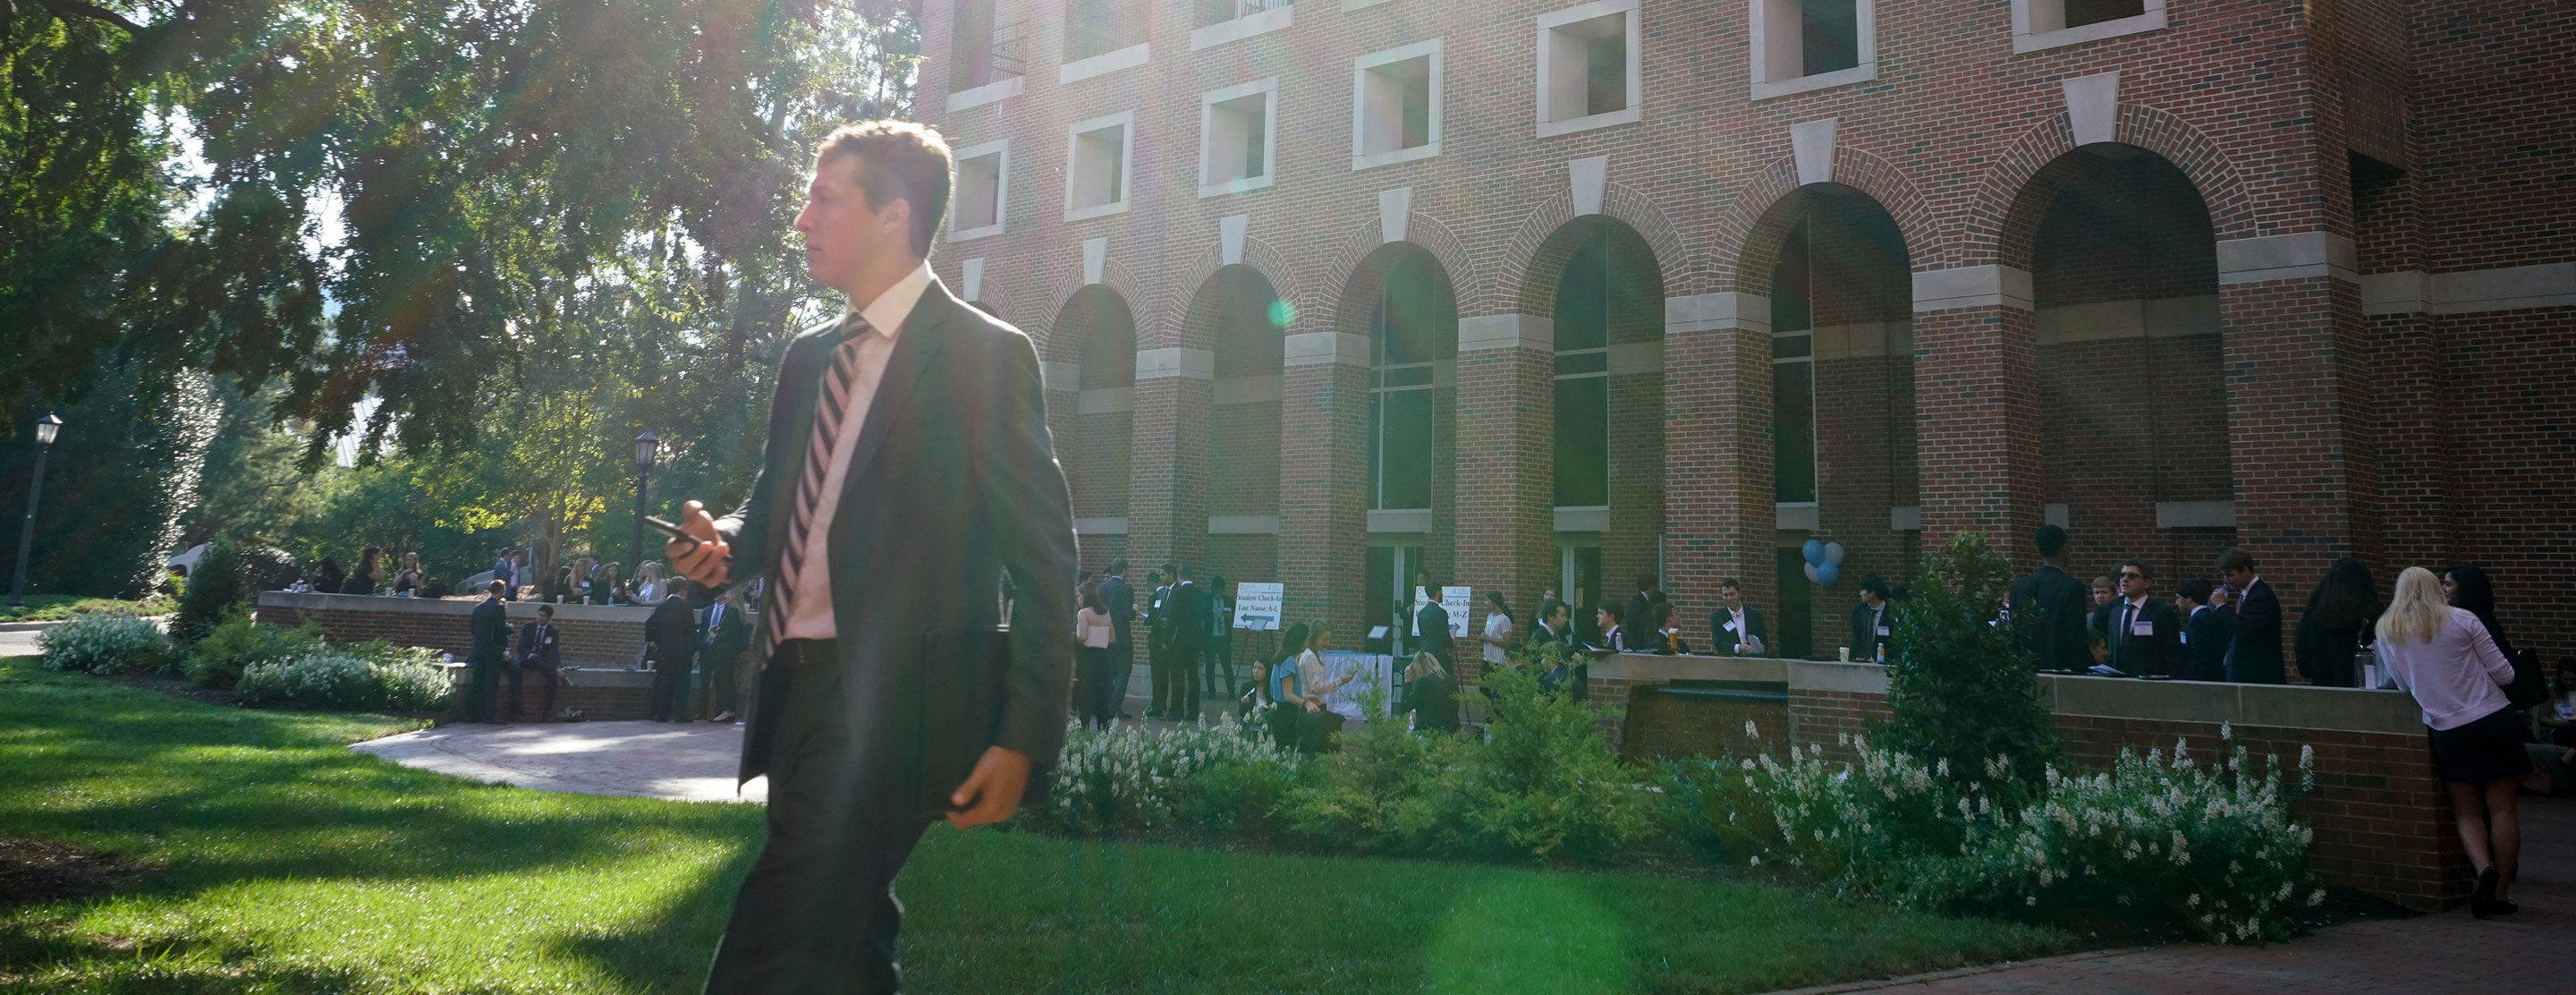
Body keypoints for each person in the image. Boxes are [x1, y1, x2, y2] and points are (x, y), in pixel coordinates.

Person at [660, 120, 1077, 994]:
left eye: (824, 199)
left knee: (769, 952)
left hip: (897, 703)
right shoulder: (809, 358)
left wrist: (1024, 732)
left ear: (894, 215)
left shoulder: (985, 356)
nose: (802, 219)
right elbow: (775, 509)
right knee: (845, 946)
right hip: (795, 688)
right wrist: (722, 545)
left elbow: (1045, 558)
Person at [2374, 566, 2524, 918]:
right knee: (2503, 808)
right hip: (2492, 718)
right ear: (2434, 588)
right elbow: (2505, 673)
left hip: (2447, 728)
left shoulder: (2387, 629)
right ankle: (2500, 891)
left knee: (2467, 810)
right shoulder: (2462, 619)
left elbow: (2401, 685)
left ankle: (2483, 868)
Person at [2010, 525, 2092, 671]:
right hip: (2062, 669)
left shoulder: (2019, 586)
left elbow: (2014, 631)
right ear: (2065, 548)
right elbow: (2075, 635)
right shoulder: (2072, 587)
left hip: (2026, 669)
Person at [2296, 557, 2382, 687]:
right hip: (2366, 688)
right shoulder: (2373, 614)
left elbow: (2304, 666)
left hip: (2324, 691)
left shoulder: (2314, 616)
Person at [2090, 560, 2183, 677]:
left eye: (2132, 576)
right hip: (2118, 683)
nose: (2124, 579)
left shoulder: (2161, 613)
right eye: (2122, 575)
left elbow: (2173, 654)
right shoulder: (2115, 613)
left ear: (2147, 583)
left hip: (2150, 682)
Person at [2217, 548, 2284, 685]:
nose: (2227, 581)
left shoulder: (2260, 597)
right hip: (2245, 672)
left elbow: (2243, 629)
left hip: (2257, 674)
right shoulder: (2247, 595)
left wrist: (2222, 607)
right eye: (2224, 576)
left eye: (2230, 575)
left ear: (2246, 570)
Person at [1289, 621, 1352, 753]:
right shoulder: (1310, 657)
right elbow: (1316, 686)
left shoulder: (1307, 655)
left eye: (1329, 639)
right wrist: (1340, 681)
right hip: (1313, 707)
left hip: (1311, 705)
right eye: (1324, 639)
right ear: (1313, 638)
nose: (1327, 643)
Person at [646, 580, 698, 723]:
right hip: (682, 650)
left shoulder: (662, 607)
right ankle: (680, 715)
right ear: (681, 589)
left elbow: (649, 624)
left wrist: (653, 641)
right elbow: (691, 629)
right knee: (682, 683)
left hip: (665, 650)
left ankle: (662, 714)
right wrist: (695, 648)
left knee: (665, 682)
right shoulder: (686, 606)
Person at [699, 583, 750, 724]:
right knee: (722, 680)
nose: (725, 595)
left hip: (725, 652)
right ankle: (723, 710)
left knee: (724, 681)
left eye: (727, 593)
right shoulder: (735, 611)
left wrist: (715, 636)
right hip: (726, 652)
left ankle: (727, 710)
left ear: (734, 595)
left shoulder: (733, 611)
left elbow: (731, 633)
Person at [462, 580, 509, 722]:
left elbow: (473, 630)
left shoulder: (478, 608)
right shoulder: (499, 609)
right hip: (493, 650)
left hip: (479, 649)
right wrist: (510, 629)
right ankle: (489, 715)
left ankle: (472, 713)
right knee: (491, 683)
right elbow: (501, 631)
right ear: (501, 592)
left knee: (477, 681)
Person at [1073, 582, 1117, 728]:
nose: (1078, 599)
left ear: (1085, 596)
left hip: (1087, 658)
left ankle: (1084, 729)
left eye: (1079, 596)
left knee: (1084, 696)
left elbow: (1083, 636)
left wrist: (1071, 637)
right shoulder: (1106, 612)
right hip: (1104, 657)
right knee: (1101, 697)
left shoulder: (1084, 613)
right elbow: (1112, 638)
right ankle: (1103, 730)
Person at [511, 604, 564, 720]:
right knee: (536, 659)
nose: (540, 618)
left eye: (544, 616)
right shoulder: (528, 627)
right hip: (527, 659)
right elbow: (520, 647)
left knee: (553, 678)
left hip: (542, 661)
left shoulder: (553, 632)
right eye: (539, 615)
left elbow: (555, 651)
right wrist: (528, 654)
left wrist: (558, 666)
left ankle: (547, 711)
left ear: (549, 618)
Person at [2175, 577, 2233, 682]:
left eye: (2178, 598)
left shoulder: (2198, 621)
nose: (2176, 602)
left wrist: (2190, 679)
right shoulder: (2210, 616)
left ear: (2189, 598)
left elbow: (2200, 656)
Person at [1100, 558, 1137, 720]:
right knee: (1123, 672)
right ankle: (1113, 708)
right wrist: (1134, 611)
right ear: (1124, 571)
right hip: (1121, 637)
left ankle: (1109, 706)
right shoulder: (1126, 588)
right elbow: (1126, 613)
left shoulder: (1101, 587)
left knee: (1109, 674)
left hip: (1103, 635)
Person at [1266, 623, 1310, 749]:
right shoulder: (1289, 662)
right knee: (1286, 749)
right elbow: (1288, 695)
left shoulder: (1281, 658)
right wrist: (1305, 703)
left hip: (1277, 710)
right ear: (1300, 641)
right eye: (1307, 640)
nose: (1308, 643)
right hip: (1286, 713)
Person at [1395, 651, 1459, 733]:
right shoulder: (1451, 680)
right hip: (1451, 731)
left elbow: (1404, 706)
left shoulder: (1424, 682)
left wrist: (1407, 681)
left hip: (1429, 732)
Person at [1709, 578, 1767, 657]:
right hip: (1731, 663)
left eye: (1732, 594)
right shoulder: (1717, 617)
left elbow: (1764, 640)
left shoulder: (1755, 616)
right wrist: (1738, 648)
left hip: (1753, 661)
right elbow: (1719, 643)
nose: (1729, 598)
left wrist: (1762, 647)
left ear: (1739, 593)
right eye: (1725, 595)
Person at [1849, 574, 1894, 664]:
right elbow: (1857, 638)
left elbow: (1895, 644)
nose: (1860, 594)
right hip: (1861, 663)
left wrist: (1882, 658)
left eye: (1863, 590)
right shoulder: (1860, 611)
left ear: (1872, 593)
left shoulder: (1891, 614)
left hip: (1883, 664)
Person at [1205, 574, 1235, 702]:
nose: (1219, 593)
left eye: (1221, 590)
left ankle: (1231, 692)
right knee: (1210, 666)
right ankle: (1212, 692)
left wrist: (1230, 617)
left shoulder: (1228, 600)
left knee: (1227, 666)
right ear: (1213, 590)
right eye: (1217, 590)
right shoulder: (1207, 600)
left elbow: (1234, 617)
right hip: (1211, 637)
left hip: (1224, 637)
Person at [1414, 577, 1454, 669]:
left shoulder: (1421, 613)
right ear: (1438, 592)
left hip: (1424, 652)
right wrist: (1451, 645)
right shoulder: (1441, 612)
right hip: (1438, 654)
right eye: (1441, 592)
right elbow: (1445, 635)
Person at [1477, 591, 1515, 675]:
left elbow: (1507, 642)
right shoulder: (1490, 617)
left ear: (1494, 602)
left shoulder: (1504, 619)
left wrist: (1488, 638)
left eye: (1487, 600)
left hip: (1498, 661)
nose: (1485, 603)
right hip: (1487, 658)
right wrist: (1482, 637)